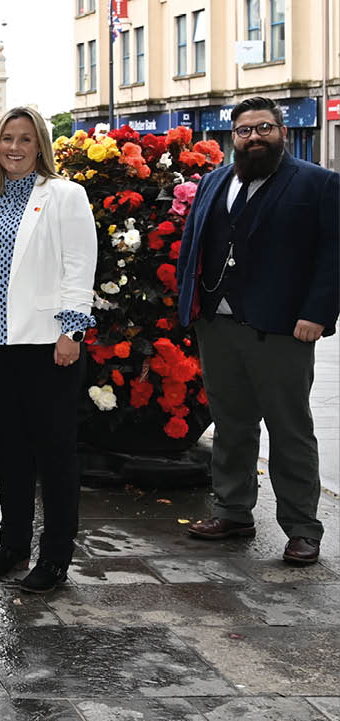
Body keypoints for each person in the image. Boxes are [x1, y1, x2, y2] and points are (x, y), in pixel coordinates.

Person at [177, 96, 339, 565]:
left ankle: (303, 529)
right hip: (217, 323)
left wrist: (317, 314)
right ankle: (233, 511)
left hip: (284, 328)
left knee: (290, 430)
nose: (254, 137)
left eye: (264, 128)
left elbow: (333, 255)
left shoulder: (319, 184)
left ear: (281, 132)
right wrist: (192, 307)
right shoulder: (212, 182)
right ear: (234, 136)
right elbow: (193, 248)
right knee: (231, 426)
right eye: (245, 130)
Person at [0, 106, 97, 594]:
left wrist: (71, 332)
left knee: (53, 453)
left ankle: (55, 556)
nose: (14, 148)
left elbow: (79, 265)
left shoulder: (63, 196)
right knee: (8, 450)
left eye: (25, 140)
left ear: (40, 147)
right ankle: (12, 545)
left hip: (45, 344)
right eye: (7, 139)